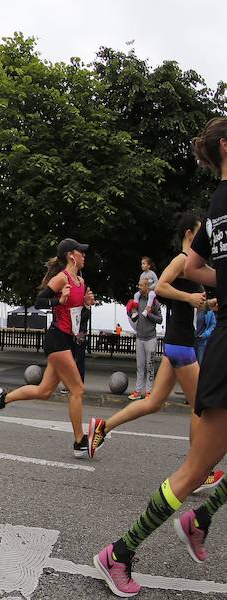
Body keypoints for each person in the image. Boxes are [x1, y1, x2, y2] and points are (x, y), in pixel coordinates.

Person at [92, 117, 227, 597]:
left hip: (203, 343)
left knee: (162, 411)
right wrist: (190, 299)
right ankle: (120, 552)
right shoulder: (212, 214)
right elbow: (180, 275)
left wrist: (212, 290)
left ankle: (201, 515)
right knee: (193, 463)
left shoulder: (215, 207)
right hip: (195, 344)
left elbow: (198, 267)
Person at [88, 214, 223, 489]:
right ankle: (197, 472)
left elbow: (189, 302)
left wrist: (208, 304)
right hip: (181, 344)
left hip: (179, 341)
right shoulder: (183, 259)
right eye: (200, 232)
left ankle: (102, 426)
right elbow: (160, 288)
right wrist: (189, 297)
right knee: (201, 408)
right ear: (189, 233)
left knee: (153, 402)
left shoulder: (193, 263)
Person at [0, 239, 96, 457]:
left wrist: (85, 305)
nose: (84, 255)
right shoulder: (61, 278)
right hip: (57, 340)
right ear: (70, 256)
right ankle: (79, 441)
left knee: (44, 391)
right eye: (80, 252)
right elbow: (39, 302)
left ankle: (2, 399)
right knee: (77, 390)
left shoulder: (80, 281)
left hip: (68, 340)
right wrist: (59, 300)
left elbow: (78, 317)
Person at [125, 278, 161, 400]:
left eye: (141, 285)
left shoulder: (155, 302)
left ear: (147, 286)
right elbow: (134, 318)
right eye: (138, 284)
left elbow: (160, 319)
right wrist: (130, 312)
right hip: (139, 338)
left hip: (151, 338)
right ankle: (137, 391)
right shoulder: (137, 300)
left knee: (149, 366)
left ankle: (149, 392)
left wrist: (149, 314)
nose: (139, 287)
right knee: (140, 366)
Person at [195, 299, 217, 364]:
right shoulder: (190, 308)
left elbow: (213, 324)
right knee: (188, 363)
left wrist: (206, 334)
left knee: (200, 362)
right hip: (189, 341)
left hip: (201, 340)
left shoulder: (209, 311)